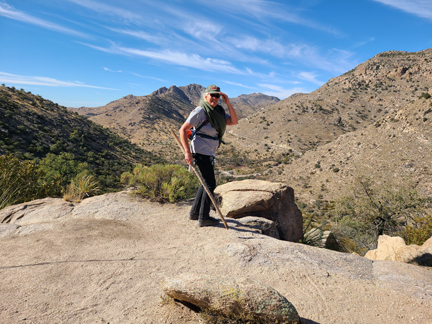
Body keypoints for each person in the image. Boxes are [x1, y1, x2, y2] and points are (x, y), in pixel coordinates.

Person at [179, 85, 238, 227]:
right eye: (212, 95)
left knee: (205, 182)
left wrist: (228, 103)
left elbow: (233, 121)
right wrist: (187, 152)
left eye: (217, 96)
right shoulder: (200, 110)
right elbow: (183, 130)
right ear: (206, 96)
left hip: (209, 151)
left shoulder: (218, 111)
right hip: (200, 151)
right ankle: (204, 217)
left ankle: (195, 213)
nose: (214, 98)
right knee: (210, 184)